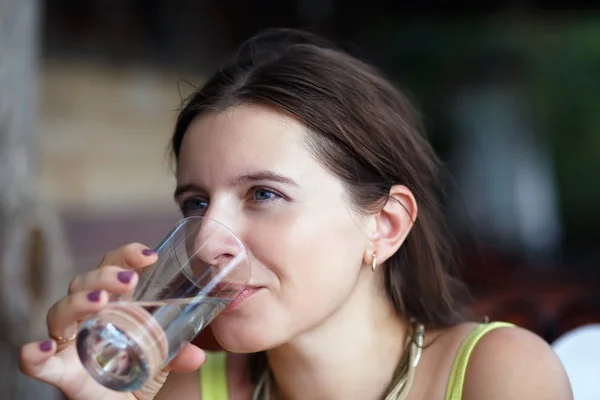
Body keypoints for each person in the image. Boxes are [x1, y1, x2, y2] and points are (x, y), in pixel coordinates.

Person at [20, 28, 572, 399]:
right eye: (196, 204)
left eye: (263, 194)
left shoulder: (497, 374)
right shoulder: (180, 389)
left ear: (385, 224)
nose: (209, 244)